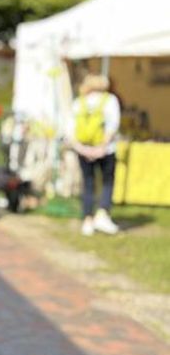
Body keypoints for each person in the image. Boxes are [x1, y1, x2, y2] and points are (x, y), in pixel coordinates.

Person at [69, 74, 121, 236]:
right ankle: (103, 213)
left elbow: (70, 129)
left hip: (84, 148)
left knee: (88, 183)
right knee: (107, 182)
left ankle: (87, 220)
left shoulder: (79, 102)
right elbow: (112, 126)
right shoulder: (109, 100)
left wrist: (82, 149)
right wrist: (100, 148)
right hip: (106, 150)